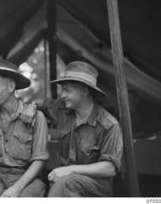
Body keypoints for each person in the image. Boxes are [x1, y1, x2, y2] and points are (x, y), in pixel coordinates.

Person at [21, 61, 123, 197]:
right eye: (62, 90)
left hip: (95, 189)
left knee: (63, 184)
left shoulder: (109, 125)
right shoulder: (61, 108)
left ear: (85, 91)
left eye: (67, 90)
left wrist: (70, 170)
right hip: (64, 184)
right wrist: (31, 105)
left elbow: (109, 168)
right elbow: (44, 103)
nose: (62, 95)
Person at [0, 58, 49, 197]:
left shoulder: (37, 118)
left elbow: (40, 160)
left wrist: (17, 188)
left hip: (26, 177)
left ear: (10, 87)